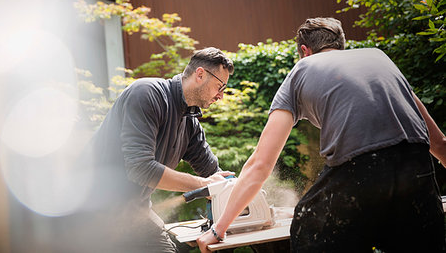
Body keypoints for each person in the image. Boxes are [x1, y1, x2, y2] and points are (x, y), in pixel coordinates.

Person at [197, 18, 446, 253]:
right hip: (418, 170)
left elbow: (261, 164)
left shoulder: (302, 68)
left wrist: (218, 231)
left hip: (361, 169)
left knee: (309, 225)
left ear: (304, 51)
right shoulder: (379, 58)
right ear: (341, 46)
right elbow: (439, 142)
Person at [86, 47, 235, 253]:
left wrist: (234, 191)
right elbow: (140, 168)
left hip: (134, 211)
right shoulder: (147, 93)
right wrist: (204, 184)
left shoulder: (189, 122)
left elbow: (214, 175)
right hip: (91, 211)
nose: (221, 96)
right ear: (200, 74)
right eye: (220, 86)